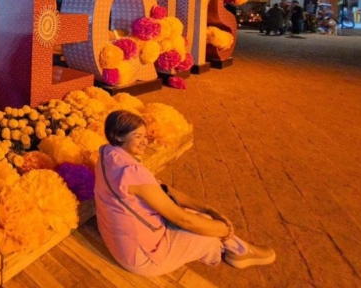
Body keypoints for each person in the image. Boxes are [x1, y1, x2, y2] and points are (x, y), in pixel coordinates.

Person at [95, 110, 275, 276]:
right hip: (140, 257)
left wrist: (207, 209)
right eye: (137, 136)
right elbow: (182, 219)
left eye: (145, 136)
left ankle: (239, 249)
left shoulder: (108, 154)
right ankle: (237, 250)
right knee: (207, 233)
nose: (144, 141)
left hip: (119, 240)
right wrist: (224, 228)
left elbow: (164, 190)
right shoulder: (131, 172)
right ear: (118, 136)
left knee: (200, 218)